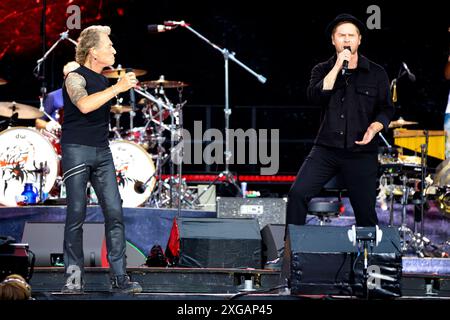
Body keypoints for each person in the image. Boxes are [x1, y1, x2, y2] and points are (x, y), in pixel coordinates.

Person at [286, 13, 394, 227]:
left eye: (351, 35)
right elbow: (316, 96)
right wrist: (337, 67)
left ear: (359, 39)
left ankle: (366, 257)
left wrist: (375, 127)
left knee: (365, 210)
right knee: (297, 193)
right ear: (333, 40)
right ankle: (291, 251)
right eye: (341, 35)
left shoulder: (376, 73)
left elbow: (386, 109)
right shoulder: (322, 70)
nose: (346, 40)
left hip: (361, 151)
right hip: (326, 148)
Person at [60, 25, 142, 293]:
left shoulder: (103, 81)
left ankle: (120, 279)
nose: (114, 50)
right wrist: (118, 87)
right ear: (94, 52)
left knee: (115, 213)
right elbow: (83, 104)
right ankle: (73, 280)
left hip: (101, 151)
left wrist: (113, 87)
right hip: (76, 149)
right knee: (76, 215)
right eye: (109, 46)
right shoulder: (74, 76)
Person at [35, 61, 80, 134]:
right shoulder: (53, 96)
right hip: (59, 138)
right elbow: (38, 121)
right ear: (65, 77)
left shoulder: (88, 95)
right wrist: (48, 125)